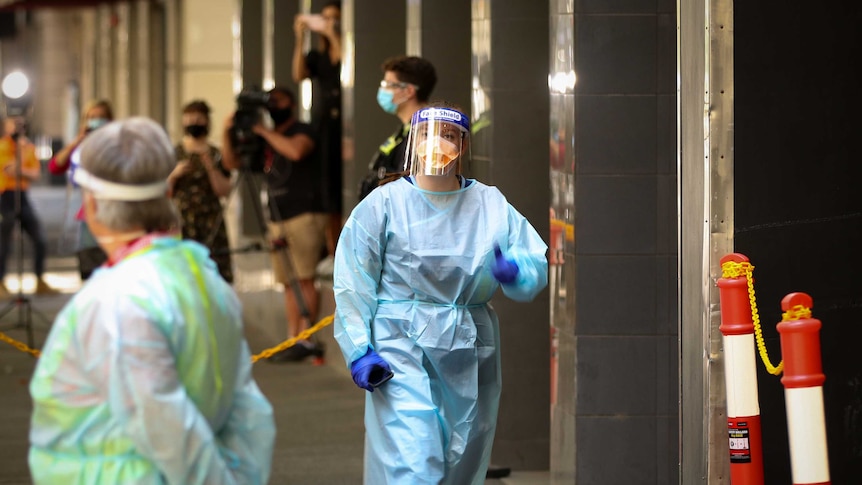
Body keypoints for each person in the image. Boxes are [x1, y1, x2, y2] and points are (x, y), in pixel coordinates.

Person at [28, 117, 276, 484]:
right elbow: (246, 411)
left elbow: (167, 429)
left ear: (92, 204)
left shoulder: (115, 302)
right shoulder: (204, 278)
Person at [332, 103, 549, 484]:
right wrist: (359, 348)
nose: (438, 143)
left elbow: (531, 258)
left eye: (448, 135)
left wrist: (516, 271)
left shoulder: (489, 204)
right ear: (414, 142)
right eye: (429, 134)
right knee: (414, 460)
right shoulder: (384, 203)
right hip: (399, 346)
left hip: (467, 346)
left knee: (460, 463)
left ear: (463, 146)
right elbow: (354, 278)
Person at [222, 86, 328, 362]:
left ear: (291, 104)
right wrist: (228, 131)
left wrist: (263, 131)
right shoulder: (265, 139)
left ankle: (306, 337)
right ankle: (293, 337)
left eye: (277, 100)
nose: (272, 106)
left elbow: (296, 152)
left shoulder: (301, 130)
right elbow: (234, 163)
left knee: (304, 277)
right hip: (276, 215)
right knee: (287, 281)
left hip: (304, 213)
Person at [293, 1, 342, 257]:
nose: (328, 23)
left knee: (342, 186)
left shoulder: (344, 49)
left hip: (344, 125)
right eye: (324, 19)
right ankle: (331, 248)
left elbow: (345, 61)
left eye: (334, 19)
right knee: (326, 188)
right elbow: (298, 74)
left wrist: (333, 34)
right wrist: (300, 38)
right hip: (323, 126)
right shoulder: (317, 56)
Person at [168, 99, 234, 283]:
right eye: (188, 119)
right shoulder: (175, 153)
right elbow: (163, 192)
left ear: (206, 121)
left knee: (214, 274)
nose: (193, 123)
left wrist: (211, 168)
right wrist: (174, 175)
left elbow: (224, 190)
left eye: (198, 118)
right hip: (182, 222)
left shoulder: (216, 153)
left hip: (211, 221)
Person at [48, 99, 113, 280]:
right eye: (91, 117)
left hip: (115, 215)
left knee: (111, 270)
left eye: (101, 117)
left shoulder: (117, 143)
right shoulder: (79, 147)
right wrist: (77, 141)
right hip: (89, 216)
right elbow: (55, 166)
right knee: (90, 270)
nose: (96, 121)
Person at [357, 55, 437, 201]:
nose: (383, 90)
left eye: (388, 84)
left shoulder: (426, 132)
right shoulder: (406, 129)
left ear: (409, 91)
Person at [0, 115, 58, 297]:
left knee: (40, 238)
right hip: (4, 197)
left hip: (22, 196)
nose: (18, 128)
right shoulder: (2, 147)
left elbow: (35, 174)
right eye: (14, 125)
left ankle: (40, 279)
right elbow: (8, 169)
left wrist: (21, 168)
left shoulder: (29, 148)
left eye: (21, 125)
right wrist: (20, 159)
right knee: (3, 243)